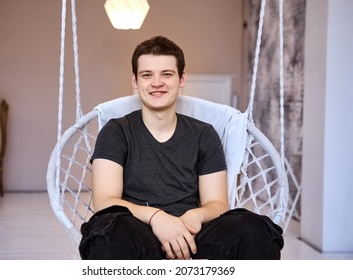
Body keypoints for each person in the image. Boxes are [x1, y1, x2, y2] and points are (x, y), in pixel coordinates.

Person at [78, 36, 284, 260]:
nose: (157, 83)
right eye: (147, 75)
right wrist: (158, 218)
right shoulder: (116, 131)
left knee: (255, 229)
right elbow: (105, 202)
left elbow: (216, 203)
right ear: (135, 81)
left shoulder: (204, 134)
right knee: (108, 228)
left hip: (192, 235)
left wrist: (196, 216)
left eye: (166, 74)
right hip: (136, 233)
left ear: (182, 78)